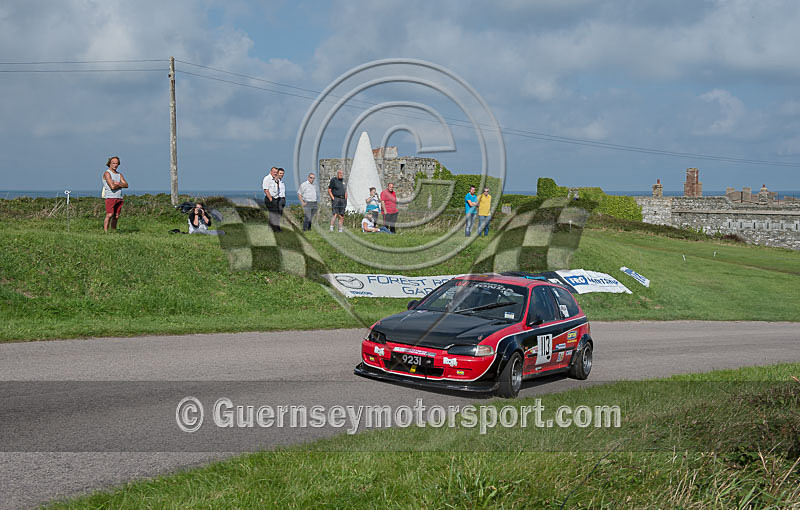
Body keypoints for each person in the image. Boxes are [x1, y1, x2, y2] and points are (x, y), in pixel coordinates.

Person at [101, 156, 128, 233]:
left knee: (116, 216)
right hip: (110, 197)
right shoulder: (107, 173)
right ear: (109, 163)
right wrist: (120, 184)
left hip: (119, 197)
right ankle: (105, 231)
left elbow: (126, 185)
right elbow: (112, 186)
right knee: (109, 214)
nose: (115, 165)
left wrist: (118, 183)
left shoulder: (119, 174)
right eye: (113, 163)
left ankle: (113, 231)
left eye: (116, 163)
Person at [263, 167, 281, 232]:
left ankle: (272, 229)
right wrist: (271, 199)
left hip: (276, 198)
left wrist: (277, 181)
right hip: (270, 199)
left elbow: (277, 188)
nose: (275, 173)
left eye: (276, 172)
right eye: (274, 172)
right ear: (271, 172)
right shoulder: (267, 179)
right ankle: (275, 230)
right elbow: (266, 190)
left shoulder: (276, 179)